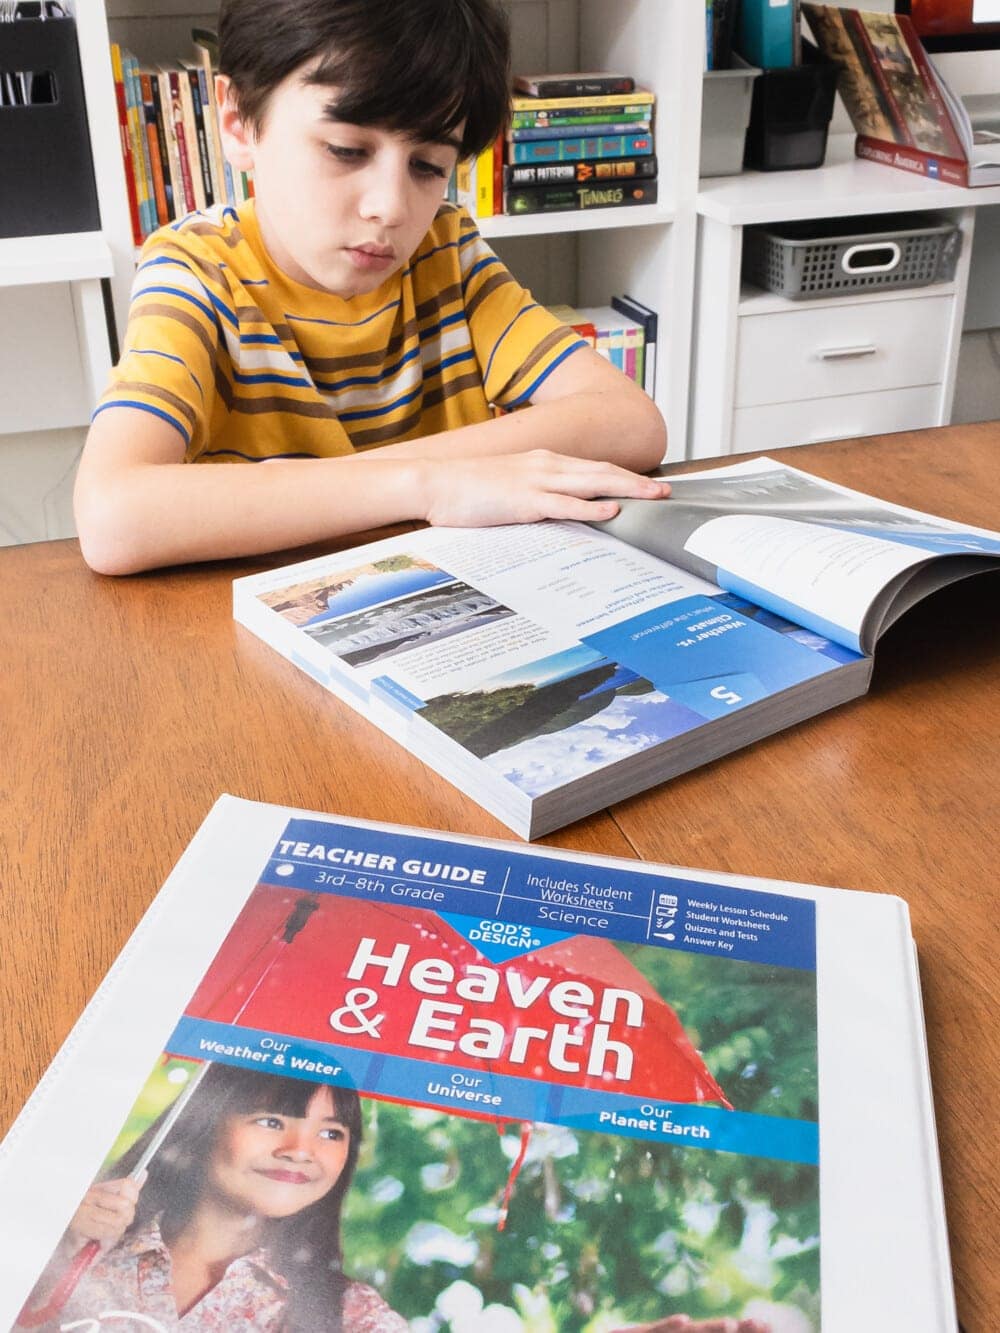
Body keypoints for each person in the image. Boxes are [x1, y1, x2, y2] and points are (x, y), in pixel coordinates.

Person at [74, 0, 670, 577]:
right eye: (346, 150)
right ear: (238, 123)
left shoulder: (445, 252)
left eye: (428, 166)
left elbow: (630, 423)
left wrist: (384, 483)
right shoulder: (197, 271)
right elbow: (112, 515)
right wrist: (427, 485)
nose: (390, 208)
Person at [21, 1063, 405, 1331]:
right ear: (205, 1123)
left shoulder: (351, 1316)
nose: (300, 1150)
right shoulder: (76, 1244)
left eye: (331, 1133)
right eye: (271, 1121)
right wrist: (60, 1247)